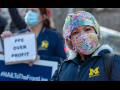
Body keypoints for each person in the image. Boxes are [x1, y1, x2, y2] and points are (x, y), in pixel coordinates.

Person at [51, 11, 120, 81]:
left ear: (97, 32)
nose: (83, 36)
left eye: (87, 29)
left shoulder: (114, 63)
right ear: (70, 40)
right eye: (76, 32)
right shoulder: (62, 68)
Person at [1, 8, 67, 67]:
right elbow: (8, 59)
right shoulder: (20, 34)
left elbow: (63, 60)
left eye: (33, 11)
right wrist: (8, 43)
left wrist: (39, 58)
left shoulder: (53, 36)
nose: (29, 13)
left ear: (43, 17)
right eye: (27, 11)